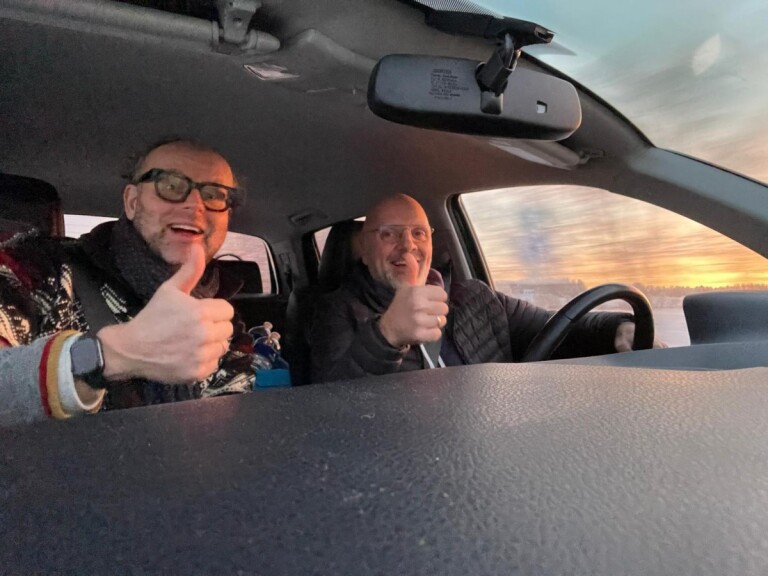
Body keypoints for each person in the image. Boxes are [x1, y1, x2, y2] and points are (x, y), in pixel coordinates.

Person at [0, 139, 255, 427]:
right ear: (132, 202)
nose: (195, 206)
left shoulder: (224, 323)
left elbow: (230, 431)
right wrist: (106, 356)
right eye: (170, 185)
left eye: (214, 194)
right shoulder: (37, 268)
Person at [311, 194, 661, 383]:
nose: (408, 245)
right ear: (364, 248)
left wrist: (617, 328)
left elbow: (556, 326)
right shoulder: (337, 310)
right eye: (389, 234)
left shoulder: (475, 297)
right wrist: (386, 336)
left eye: (418, 233)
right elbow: (330, 405)